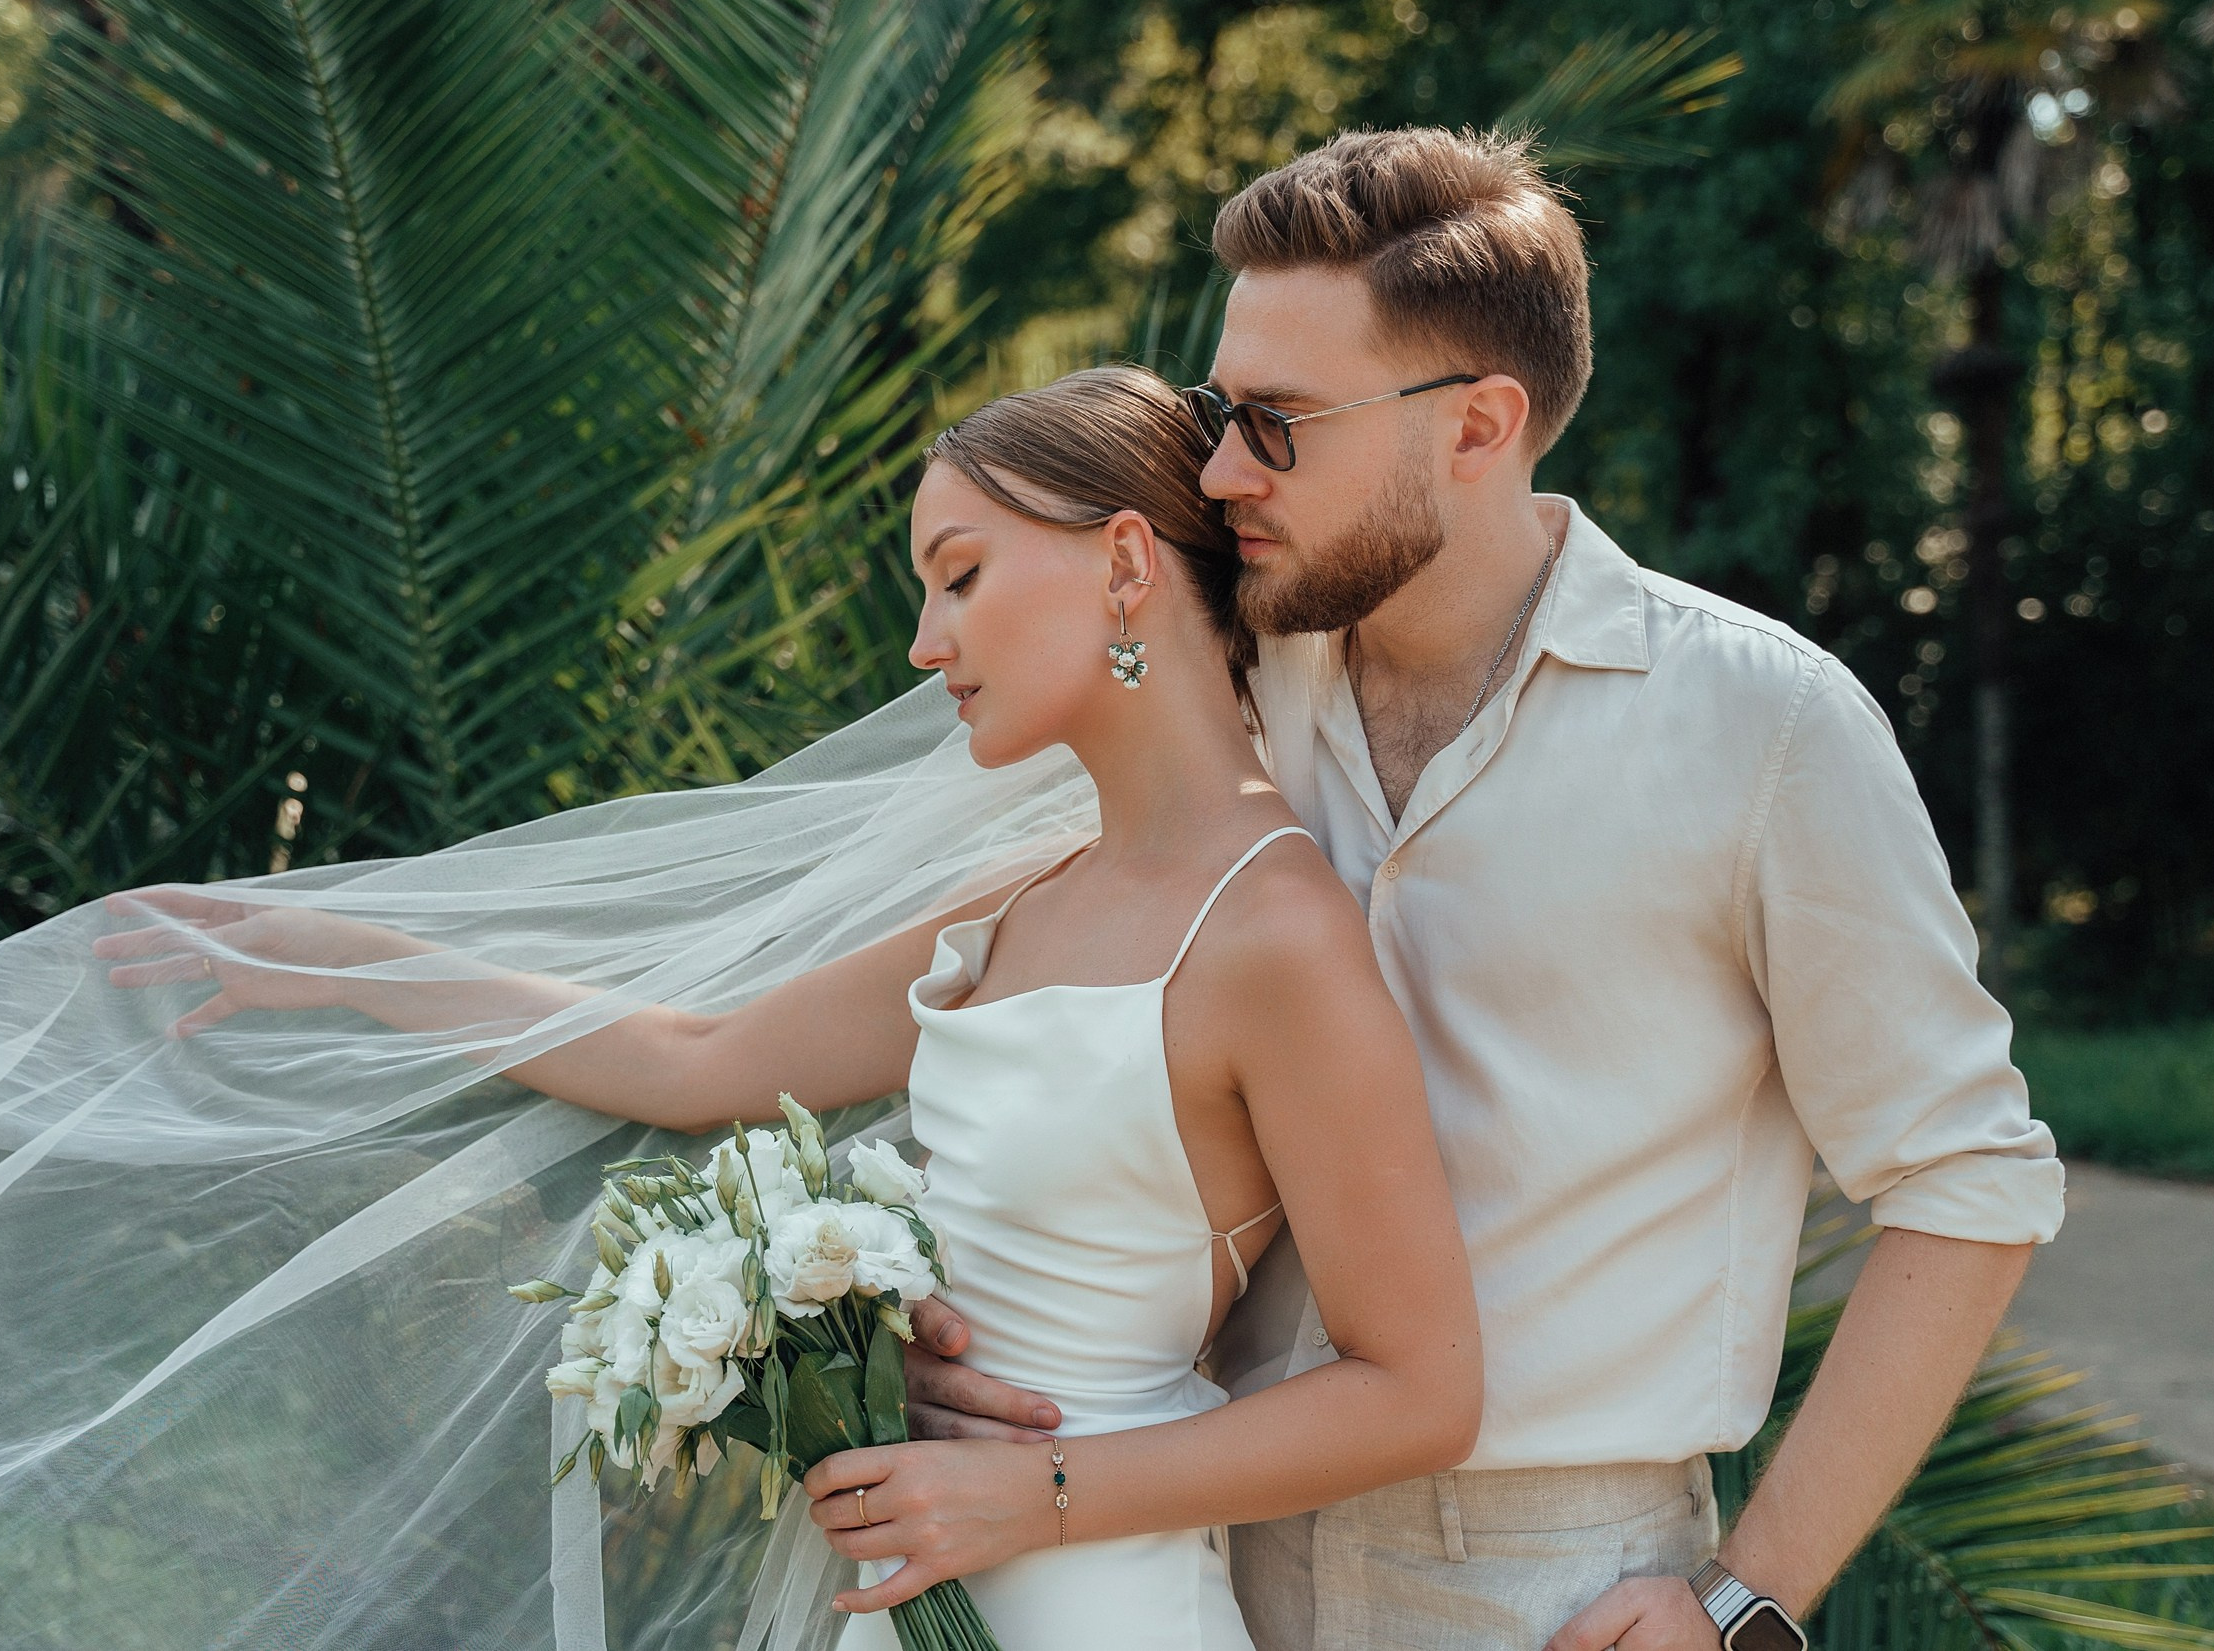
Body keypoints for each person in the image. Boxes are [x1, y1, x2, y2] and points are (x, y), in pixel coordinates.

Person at [84, 366, 1483, 1650]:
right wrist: (340, 958)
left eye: (960, 576)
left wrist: (1042, 1495)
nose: (929, 644)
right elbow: (698, 1059)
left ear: (1124, 562)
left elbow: (1422, 1388)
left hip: (1096, 1595)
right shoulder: (1024, 899)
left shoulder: (1274, 930)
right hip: (917, 1585)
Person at [902, 129, 2067, 1651]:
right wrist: (940, 1332)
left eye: (1275, 421)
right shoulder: (1230, 690)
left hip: (1551, 1594)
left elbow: (1967, 1179)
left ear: (1478, 426)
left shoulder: (1760, 729)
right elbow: (1028, 1008)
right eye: (1215, 411)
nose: (1219, 469)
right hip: (1183, 1556)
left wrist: (1750, 1596)